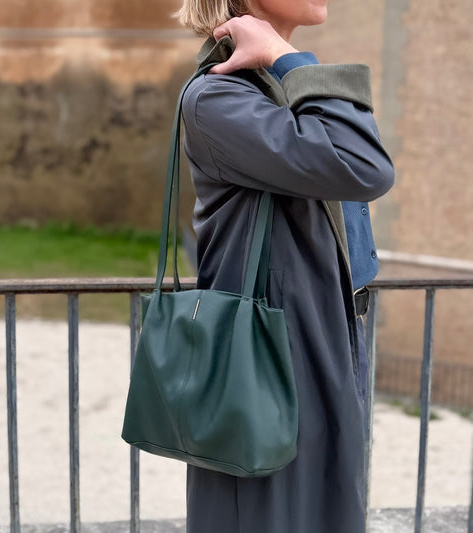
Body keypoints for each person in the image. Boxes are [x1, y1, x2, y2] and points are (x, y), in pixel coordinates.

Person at [177, 0, 394, 531]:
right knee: (272, 510)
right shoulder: (218, 98)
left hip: (324, 331)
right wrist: (286, 56)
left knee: (328, 502)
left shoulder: (276, 89)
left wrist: (283, 61)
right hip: (270, 349)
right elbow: (364, 166)